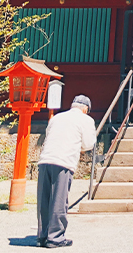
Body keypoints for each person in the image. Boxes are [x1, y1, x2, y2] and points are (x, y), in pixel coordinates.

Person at [37, 94, 96, 248]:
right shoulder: (86, 120)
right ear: (85, 109)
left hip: (45, 160)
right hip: (63, 161)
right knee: (59, 200)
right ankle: (55, 237)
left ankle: (43, 235)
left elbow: (48, 134)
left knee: (44, 201)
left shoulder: (57, 118)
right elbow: (89, 143)